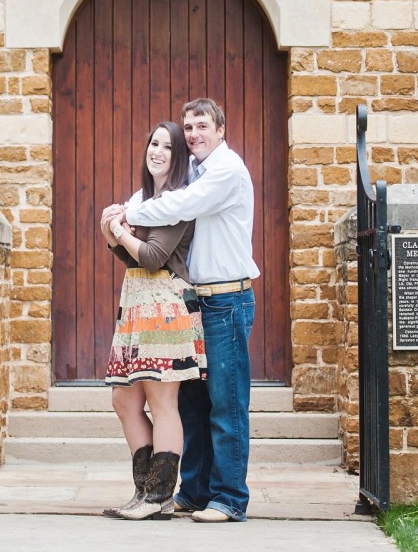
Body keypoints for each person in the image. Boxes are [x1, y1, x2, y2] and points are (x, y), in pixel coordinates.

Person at [121, 97, 258, 524]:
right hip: (193, 302)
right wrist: (124, 213)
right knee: (193, 406)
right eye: (189, 127)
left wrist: (125, 212)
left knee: (226, 405)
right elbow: (162, 194)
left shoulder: (225, 170)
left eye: (202, 126)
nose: (194, 134)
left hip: (227, 300)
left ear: (221, 129)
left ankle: (230, 499)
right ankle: (194, 492)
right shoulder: (194, 170)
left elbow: (180, 205)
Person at [99, 120, 206, 521]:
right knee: (124, 398)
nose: (158, 151)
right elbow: (131, 257)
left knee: (162, 403)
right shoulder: (144, 198)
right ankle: (145, 491)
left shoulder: (179, 200)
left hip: (165, 306)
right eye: (154, 143)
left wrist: (118, 230)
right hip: (137, 305)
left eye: (168, 147)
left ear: (179, 158)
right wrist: (113, 236)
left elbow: (153, 256)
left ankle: (160, 495)